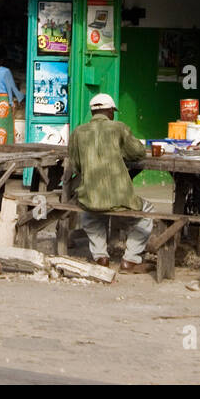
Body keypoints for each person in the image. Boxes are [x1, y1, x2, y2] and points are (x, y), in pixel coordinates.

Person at [69, 93, 155, 274]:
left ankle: (101, 256)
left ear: (93, 112)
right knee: (147, 212)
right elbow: (138, 153)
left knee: (89, 216)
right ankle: (130, 260)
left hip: (90, 196)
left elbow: (76, 165)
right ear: (110, 111)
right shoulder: (119, 128)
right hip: (121, 196)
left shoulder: (78, 132)